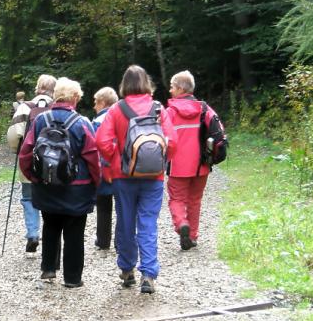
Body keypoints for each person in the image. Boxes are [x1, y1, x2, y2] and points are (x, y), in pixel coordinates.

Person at [95, 65, 176, 294]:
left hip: (124, 176)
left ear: (124, 84)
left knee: (126, 222)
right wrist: (161, 161)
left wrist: (114, 161)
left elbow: (102, 141)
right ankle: (149, 274)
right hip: (154, 177)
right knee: (148, 223)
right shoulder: (159, 109)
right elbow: (174, 141)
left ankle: (127, 269)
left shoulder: (117, 110)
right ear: (146, 82)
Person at [19, 77, 100, 288]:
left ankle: (48, 268)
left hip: (46, 185)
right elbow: (93, 157)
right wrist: (97, 183)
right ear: (74, 98)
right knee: (74, 232)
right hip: (77, 187)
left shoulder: (40, 121)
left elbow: (25, 153)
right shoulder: (82, 123)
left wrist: (34, 177)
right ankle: (72, 278)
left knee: (51, 224)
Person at [166, 70, 224, 250]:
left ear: (180, 88)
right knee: (195, 200)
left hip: (177, 166)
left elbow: (163, 138)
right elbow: (219, 132)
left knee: (177, 199)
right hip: (201, 166)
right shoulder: (205, 109)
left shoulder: (169, 112)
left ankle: (182, 223)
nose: (170, 91)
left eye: (172, 87)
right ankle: (192, 236)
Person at [7, 74, 56, 254]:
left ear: (37, 88)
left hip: (28, 162)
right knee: (51, 198)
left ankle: (33, 234)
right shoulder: (57, 108)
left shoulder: (24, 108)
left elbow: (13, 135)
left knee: (28, 198)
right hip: (53, 164)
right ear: (54, 90)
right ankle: (51, 238)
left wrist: (16, 151)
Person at [91, 86, 119, 250]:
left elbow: (95, 146)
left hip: (104, 169)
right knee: (123, 207)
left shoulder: (98, 122)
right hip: (121, 169)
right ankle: (120, 241)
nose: (94, 106)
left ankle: (103, 240)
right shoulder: (123, 116)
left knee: (103, 207)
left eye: (96, 103)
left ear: (102, 102)